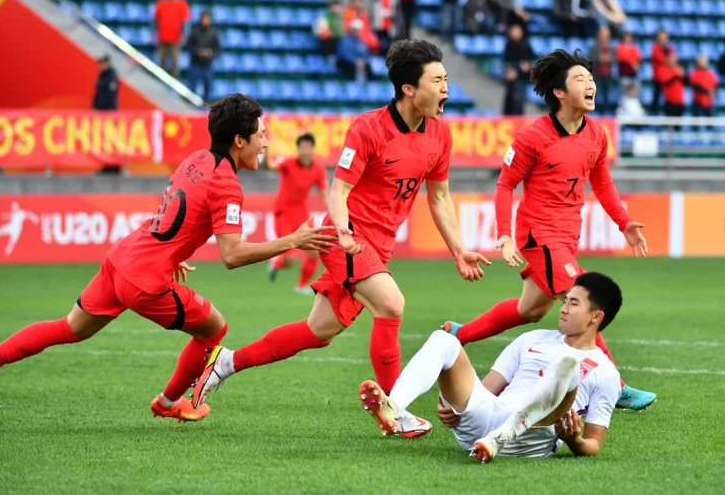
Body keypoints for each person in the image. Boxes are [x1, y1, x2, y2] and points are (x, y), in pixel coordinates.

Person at [0, 95, 338, 422]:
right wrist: (293, 239)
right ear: (239, 140)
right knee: (214, 330)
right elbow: (232, 255)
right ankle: (168, 403)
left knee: (68, 327)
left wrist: (174, 251)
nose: (266, 143)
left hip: (125, 255)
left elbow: (174, 212)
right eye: (261, 135)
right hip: (145, 279)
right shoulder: (227, 183)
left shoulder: (197, 159)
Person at [190, 40, 491, 437]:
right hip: (346, 239)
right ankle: (395, 408)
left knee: (318, 332)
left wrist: (459, 250)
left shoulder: (440, 136)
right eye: (437, 81)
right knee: (391, 304)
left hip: (378, 247)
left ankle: (225, 363)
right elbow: (339, 189)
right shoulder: (368, 128)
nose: (446, 89)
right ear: (409, 89)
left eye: (447, 79)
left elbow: (439, 197)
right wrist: (345, 231)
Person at [442, 49, 657, 411]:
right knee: (586, 296)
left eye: (591, 80)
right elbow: (505, 185)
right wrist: (505, 233)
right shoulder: (533, 137)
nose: (590, 85)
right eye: (580, 80)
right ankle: (615, 385)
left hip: (567, 234)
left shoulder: (596, 135)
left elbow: (602, 184)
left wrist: (624, 223)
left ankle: (458, 335)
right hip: (537, 235)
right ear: (559, 92)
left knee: (530, 310)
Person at [360, 273, 622, 462]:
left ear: (596, 317)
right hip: (485, 426)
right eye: (565, 300)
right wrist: (455, 408)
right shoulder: (531, 339)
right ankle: (395, 409)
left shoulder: (605, 372)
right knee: (444, 340)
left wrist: (573, 439)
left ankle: (504, 435)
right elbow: (486, 391)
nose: (563, 309)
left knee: (568, 367)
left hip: (531, 438)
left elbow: (593, 444)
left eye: (573, 303)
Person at [264, 133, 329, 295]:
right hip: (284, 213)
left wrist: (335, 212)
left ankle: (301, 286)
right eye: (302, 147)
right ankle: (276, 263)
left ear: (313, 149)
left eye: (308, 147)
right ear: (298, 149)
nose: (305, 150)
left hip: (303, 214)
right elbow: (268, 166)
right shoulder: (288, 164)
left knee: (315, 251)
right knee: (290, 259)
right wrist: (266, 148)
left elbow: (324, 194)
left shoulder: (318, 169)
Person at [154, 0, 191, 78]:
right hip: (162, 38)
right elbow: (156, 19)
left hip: (176, 39)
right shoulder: (161, 3)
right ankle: (160, 82)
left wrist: (185, 35)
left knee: (175, 63)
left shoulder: (182, 4)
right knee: (162, 62)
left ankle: (175, 84)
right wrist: (153, 32)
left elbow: (186, 22)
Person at [187, 10, 220, 103]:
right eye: (204, 19)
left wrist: (210, 53)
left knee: (208, 87)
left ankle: (206, 106)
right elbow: (189, 46)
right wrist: (198, 52)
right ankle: (191, 104)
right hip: (195, 63)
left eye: (207, 19)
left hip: (207, 64)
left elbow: (217, 48)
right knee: (193, 86)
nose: (205, 21)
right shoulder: (195, 31)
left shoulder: (213, 33)